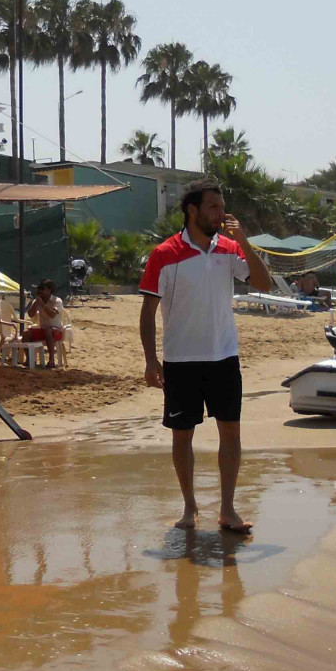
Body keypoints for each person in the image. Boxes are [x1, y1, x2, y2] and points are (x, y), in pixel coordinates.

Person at [138, 181, 272, 533]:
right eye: (213, 207)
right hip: (181, 361)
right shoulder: (164, 254)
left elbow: (264, 283)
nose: (221, 214)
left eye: (222, 206)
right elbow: (147, 311)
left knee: (231, 433)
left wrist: (243, 239)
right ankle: (189, 508)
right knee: (182, 435)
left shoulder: (229, 249)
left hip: (224, 356)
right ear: (192, 211)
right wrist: (151, 361)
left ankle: (228, 509)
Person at [24, 279, 68, 368]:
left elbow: (52, 314)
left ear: (49, 290)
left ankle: (51, 360)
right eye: (39, 289)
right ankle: (29, 359)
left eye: (42, 289)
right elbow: (31, 315)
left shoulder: (57, 301)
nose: (40, 292)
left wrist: (43, 305)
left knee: (48, 331)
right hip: (43, 329)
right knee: (26, 334)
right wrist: (36, 303)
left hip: (56, 330)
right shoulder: (38, 301)